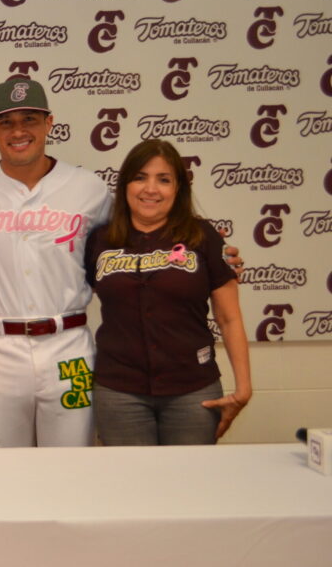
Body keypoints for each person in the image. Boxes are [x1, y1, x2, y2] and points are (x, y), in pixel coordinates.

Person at [0, 76, 110, 447]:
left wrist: (206, 253)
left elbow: (129, 251)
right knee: (1, 470)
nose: (18, 131)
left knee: (73, 468)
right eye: (6, 122)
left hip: (68, 347)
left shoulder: (89, 188)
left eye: (30, 120)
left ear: (49, 123)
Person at [84, 139, 252, 445]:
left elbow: (229, 319)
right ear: (124, 185)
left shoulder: (204, 236)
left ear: (179, 189)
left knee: (191, 485)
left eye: (164, 180)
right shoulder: (100, 239)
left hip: (193, 390)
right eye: (140, 177)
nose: (151, 189)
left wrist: (243, 388)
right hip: (118, 391)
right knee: (131, 487)